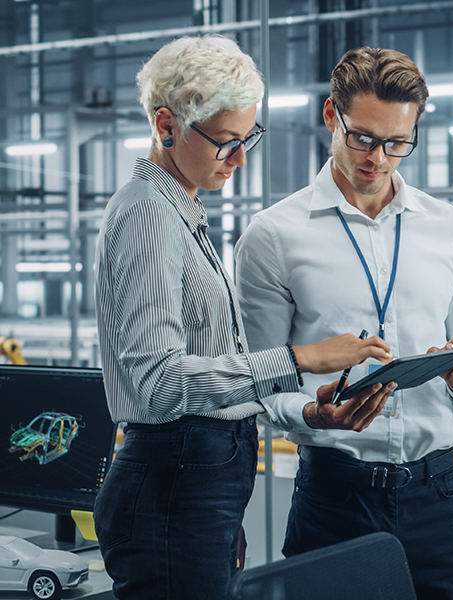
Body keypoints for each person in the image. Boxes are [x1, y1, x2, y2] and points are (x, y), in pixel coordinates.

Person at [93, 36, 396, 600]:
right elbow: (157, 387)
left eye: (249, 137)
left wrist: (308, 405)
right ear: (166, 124)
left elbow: (209, 365)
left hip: (199, 478)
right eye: (226, 142)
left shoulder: (179, 209)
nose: (241, 159)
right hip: (174, 480)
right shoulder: (147, 217)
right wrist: (301, 358)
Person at [235, 46, 453, 600]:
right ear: (332, 116)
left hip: (440, 496)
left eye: (398, 143)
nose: (378, 158)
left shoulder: (451, 229)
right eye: (363, 137)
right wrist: (312, 412)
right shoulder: (273, 235)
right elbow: (258, 380)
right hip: (335, 496)